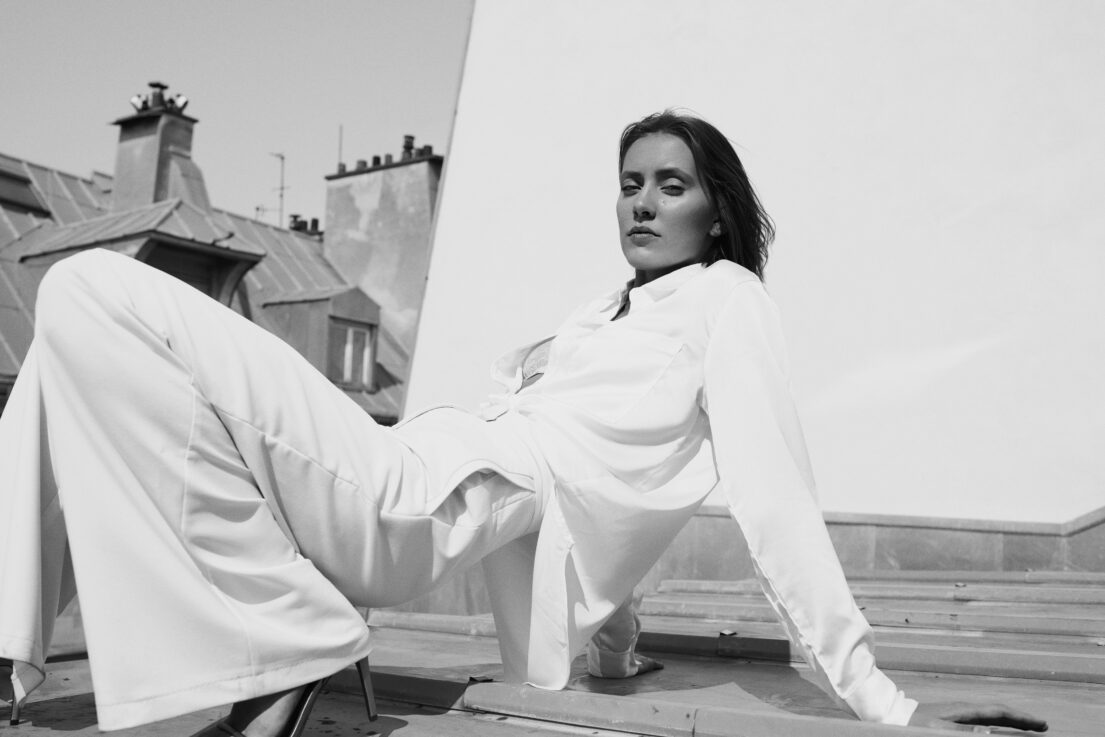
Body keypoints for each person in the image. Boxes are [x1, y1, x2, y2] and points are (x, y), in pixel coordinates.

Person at [0, 111, 1047, 736]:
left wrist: (883, 702)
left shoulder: (727, 301)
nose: (640, 203)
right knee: (64, 344)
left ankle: (284, 647)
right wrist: (615, 644)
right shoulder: (604, 314)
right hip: (411, 462)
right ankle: (10, 651)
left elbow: (772, 500)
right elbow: (618, 483)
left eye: (670, 185)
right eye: (628, 184)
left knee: (90, 285)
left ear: (716, 210)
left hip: (423, 502)